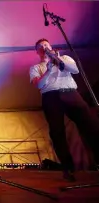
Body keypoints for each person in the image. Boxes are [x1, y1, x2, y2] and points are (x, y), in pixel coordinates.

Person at [29, 38, 99, 181]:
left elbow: (75, 70)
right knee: (57, 131)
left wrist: (58, 59)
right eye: (40, 47)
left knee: (90, 124)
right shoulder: (35, 68)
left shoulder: (65, 58)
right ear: (37, 52)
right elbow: (38, 85)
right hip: (50, 97)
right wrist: (48, 70)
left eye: (46, 45)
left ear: (51, 46)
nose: (44, 47)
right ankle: (68, 168)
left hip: (70, 93)